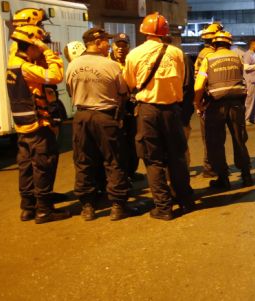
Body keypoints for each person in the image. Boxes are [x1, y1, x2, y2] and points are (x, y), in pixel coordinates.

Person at [123, 12, 194, 220]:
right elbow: (181, 80)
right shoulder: (176, 53)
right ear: (164, 32)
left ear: (144, 31)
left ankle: (163, 207)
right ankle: (185, 200)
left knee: (153, 160)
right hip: (172, 111)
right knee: (177, 158)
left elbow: (129, 83)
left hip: (147, 112)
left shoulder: (134, 55)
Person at [66, 28, 137, 221]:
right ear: (97, 43)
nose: (108, 45)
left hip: (81, 116)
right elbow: (122, 92)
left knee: (83, 161)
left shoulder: (73, 65)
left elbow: (70, 90)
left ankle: (87, 207)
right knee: (114, 160)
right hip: (105, 117)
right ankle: (117, 205)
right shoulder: (111, 65)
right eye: (106, 41)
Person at [6, 24, 69, 223]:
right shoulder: (27, 68)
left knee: (25, 167)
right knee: (43, 166)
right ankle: (44, 210)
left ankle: (28, 207)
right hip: (38, 126)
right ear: (32, 45)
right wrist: (48, 52)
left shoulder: (13, 63)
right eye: (38, 46)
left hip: (23, 126)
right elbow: (55, 76)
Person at [194, 30, 253, 189]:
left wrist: (197, 103)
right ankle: (246, 175)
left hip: (216, 105)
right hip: (236, 104)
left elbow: (199, 85)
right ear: (229, 43)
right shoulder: (237, 57)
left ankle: (223, 178)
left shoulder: (208, 58)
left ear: (214, 44)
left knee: (216, 142)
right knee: (239, 139)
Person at [109, 32, 141, 181]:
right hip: (114, 107)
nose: (121, 48)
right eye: (118, 45)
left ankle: (131, 171)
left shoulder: (132, 62)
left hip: (131, 106)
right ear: (112, 46)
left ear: (128, 47)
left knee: (133, 141)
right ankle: (119, 173)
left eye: (124, 45)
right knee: (117, 143)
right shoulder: (107, 63)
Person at [194, 22, 224, 177]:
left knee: (211, 135)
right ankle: (210, 167)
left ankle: (213, 165)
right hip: (209, 100)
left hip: (207, 99)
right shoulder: (209, 55)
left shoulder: (204, 53)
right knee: (211, 136)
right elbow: (202, 81)